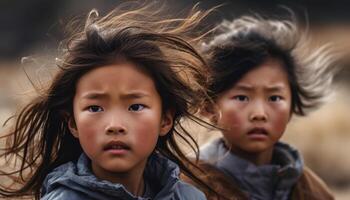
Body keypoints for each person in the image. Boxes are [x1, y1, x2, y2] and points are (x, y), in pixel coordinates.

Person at [0, 2, 215, 200]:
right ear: (73, 123)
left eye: (135, 106)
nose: (115, 126)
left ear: (165, 120)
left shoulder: (189, 196)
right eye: (95, 108)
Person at [195, 13, 339, 200]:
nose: (259, 114)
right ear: (209, 107)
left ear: (292, 107)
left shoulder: (312, 190)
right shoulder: (190, 186)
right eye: (241, 97)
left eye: (274, 98)